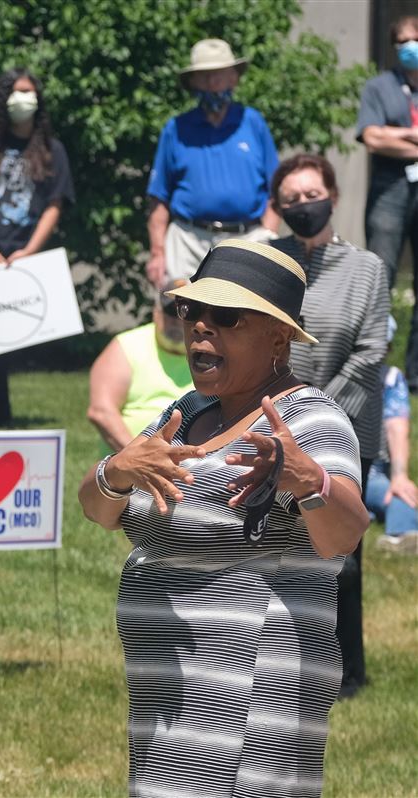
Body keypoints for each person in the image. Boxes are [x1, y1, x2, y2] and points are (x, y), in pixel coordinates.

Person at [79, 240, 368, 798]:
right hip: (168, 689)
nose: (200, 328)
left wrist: (310, 481)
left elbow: (344, 535)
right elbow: (98, 510)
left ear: (278, 337)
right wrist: (116, 470)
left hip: (256, 690)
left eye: (227, 317)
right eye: (192, 310)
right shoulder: (187, 412)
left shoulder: (310, 421)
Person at [269, 153, 391, 699]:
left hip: (345, 429)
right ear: (278, 207)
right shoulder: (269, 261)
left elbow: (370, 352)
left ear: (334, 196)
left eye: (312, 194)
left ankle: (347, 670)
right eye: (291, 199)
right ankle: (285, 658)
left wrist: (317, 413)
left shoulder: (368, 269)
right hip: (274, 426)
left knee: (341, 553)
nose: (303, 205)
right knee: (278, 544)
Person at [0, 67, 75, 427]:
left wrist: (30, 251)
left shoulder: (52, 150)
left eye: (28, 91)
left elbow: (55, 204)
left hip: (24, 256)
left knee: (7, 341)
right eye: (15, 91)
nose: (23, 99)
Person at [146, 39, 280, 288]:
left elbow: (277, 190)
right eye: (204, 75)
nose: (212, 82)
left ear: (234, 78)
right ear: (193, 82)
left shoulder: (253, 123)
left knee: (247, 309)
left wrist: (268, 234)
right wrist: (157, 252)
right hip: (188, 241)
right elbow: (159, 197)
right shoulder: (176, 129)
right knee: (182, 307)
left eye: (219, 74)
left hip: (248, 238)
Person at [356, 14, 418, 391]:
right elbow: (372, 138)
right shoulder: (380, 86)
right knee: (380, 277)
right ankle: (371, 365)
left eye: (414, 39)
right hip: (390, 188)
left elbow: (384, 134)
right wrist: (413, 135)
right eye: (402, 41)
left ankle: (415, 377)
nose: (409, 47)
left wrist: (397, 135)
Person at [87, 280, 193, 452]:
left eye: (185, 313)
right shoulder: (127, 346)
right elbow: (101, 412)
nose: (176, 320)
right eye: (170, 312)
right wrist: (138, 458)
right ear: (156, 312)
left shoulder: (210, 352)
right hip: (129, 462)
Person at [369, 316, 418, 553]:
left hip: (372, 470)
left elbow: (397, 426)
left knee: (400, 495)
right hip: (329, 466)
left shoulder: (390, 378)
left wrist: (400, 477)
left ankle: (405, 536)